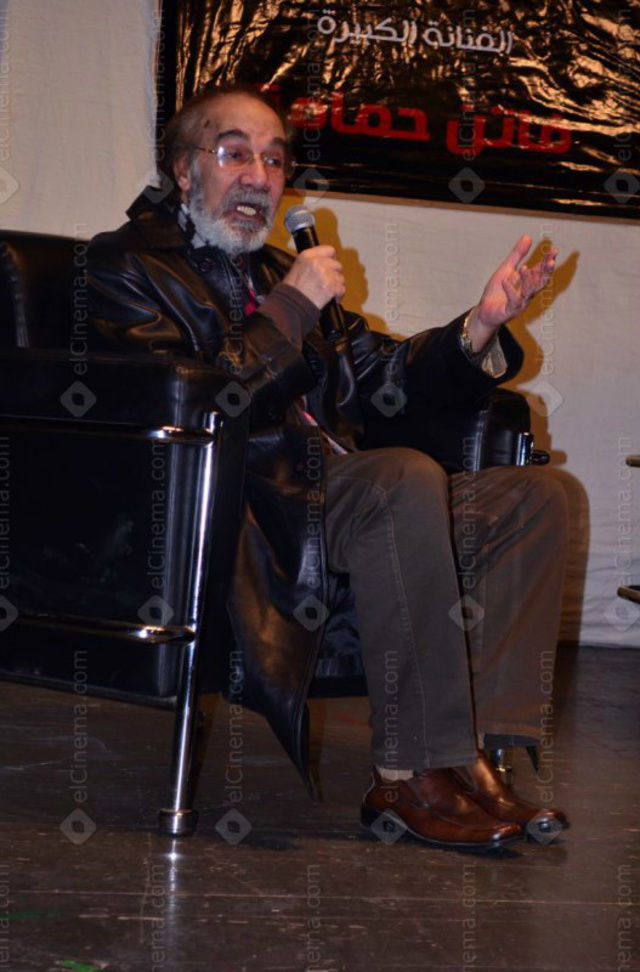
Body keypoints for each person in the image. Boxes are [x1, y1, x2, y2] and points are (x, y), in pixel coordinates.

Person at [88, 86, 569, 851]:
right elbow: (198, 406)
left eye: (275, 160)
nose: (258, 177)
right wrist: (288, 310)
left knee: (535, 496)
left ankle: (478, 751)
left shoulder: (282, 270)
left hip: (336, 496)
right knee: (400, 478)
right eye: (235, 153)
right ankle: (408, 773)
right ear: (183, 169)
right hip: (242, 506)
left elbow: (384, 380)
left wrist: (478, 328)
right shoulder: (123, 267)